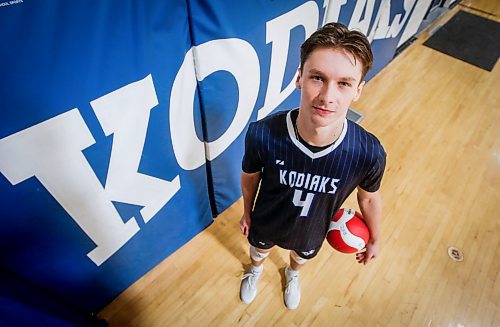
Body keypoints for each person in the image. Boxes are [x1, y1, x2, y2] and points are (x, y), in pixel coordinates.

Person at [239, 22, 386, 310]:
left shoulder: (368, 152)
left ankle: (292, 275)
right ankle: (255, 271)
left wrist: (375, 239)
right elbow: (249, 177)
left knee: (301, 258)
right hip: (267, 220)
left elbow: (368, 198)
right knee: (259, 251)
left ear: (358, 90)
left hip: (313, 228)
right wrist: (247, 212)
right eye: (317, 77)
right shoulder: (263, 133)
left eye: (344, 83)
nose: (328, 96)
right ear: (299, 78)